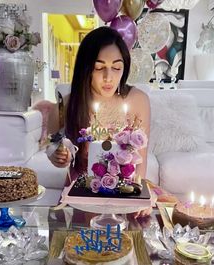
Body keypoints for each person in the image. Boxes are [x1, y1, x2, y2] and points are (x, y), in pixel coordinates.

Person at [47, 26, 151, 218]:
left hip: (125, 193)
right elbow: (54, 147)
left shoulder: (138, 100)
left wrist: (140, 198)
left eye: (117, 67)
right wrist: (57, 155)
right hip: (82, 195)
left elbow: (140, 163)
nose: (108, 77)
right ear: (86, 67)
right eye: (99, 67)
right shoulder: (67, 104)